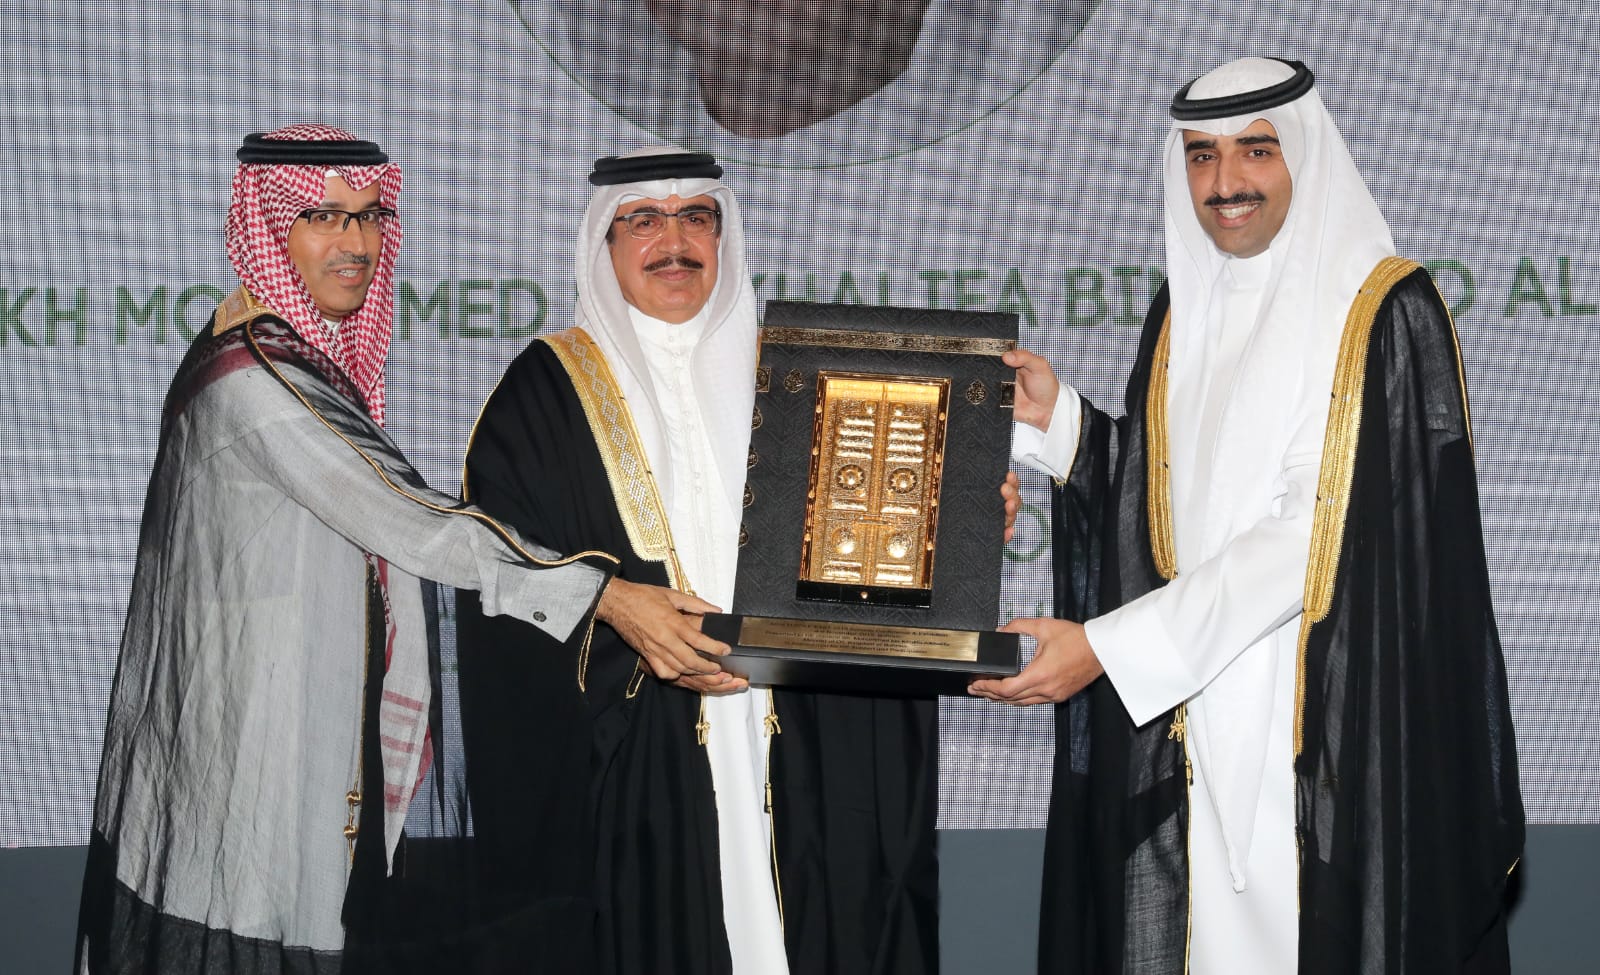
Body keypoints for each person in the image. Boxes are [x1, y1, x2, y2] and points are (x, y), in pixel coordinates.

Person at [73, 125, 678, 974]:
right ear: (268, 226)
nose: (355, 242)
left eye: (368, 216)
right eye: (323, 217)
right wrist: (604, 596)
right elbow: (412, 518)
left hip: (295, 734)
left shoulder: (282, 348)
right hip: (257, 755)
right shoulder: (257, 378)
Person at [971, 58, 1524, 973]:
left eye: (1255, 151)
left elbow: (1314, 533)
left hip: (1318, 734)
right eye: (1201, 155)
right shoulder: (1183, 309)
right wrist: (1059, 423)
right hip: (1193, 722)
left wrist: (1110, 647)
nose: (1225, 182)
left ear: (1302, 153)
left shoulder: (1379, 310)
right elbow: (1172, 504)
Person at [454, 148, 940, 974]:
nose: (674, 242)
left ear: (724, 236)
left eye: (696, 218)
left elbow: (877, 551)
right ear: (606, 244)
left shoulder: (799, 376)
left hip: (803, 744)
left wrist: (947, 526)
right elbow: (496, 568)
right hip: (643, 760)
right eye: (644, 220)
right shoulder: (543, 391)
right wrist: (616, 610)